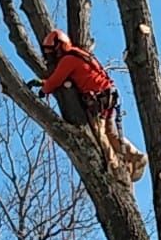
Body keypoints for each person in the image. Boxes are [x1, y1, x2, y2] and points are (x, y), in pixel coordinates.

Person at [33, 29, 147, 183]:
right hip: (109, 94)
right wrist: (44, 83)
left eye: (53, 51)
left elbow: (56, 80)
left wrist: (43, 90)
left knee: (100, 134)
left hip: (98, 98)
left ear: (60, 47)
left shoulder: (68, 60)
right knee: (110, 132)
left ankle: (114, 168)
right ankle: (135, 156)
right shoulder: (78, 54)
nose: (52, 56)